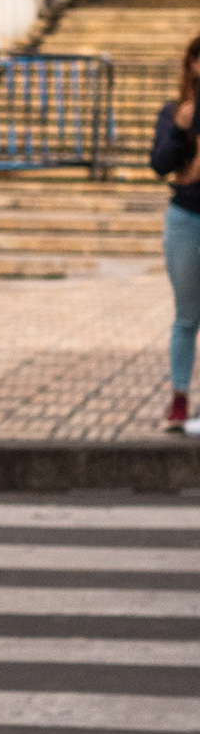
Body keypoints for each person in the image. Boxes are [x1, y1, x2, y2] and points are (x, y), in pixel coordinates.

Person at [148, 31, 200, 434]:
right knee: (186, 316)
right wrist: (181, 130)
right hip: (186, 217)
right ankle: (179, 399)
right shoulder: (174, 112)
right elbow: (160, 164)